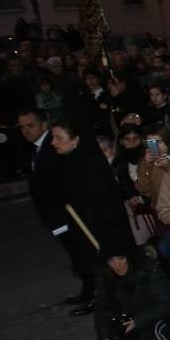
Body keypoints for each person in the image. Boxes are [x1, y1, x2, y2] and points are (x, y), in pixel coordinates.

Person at [52, 119, 133, 316]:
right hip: (86, 223)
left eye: (58, 138)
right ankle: (105, 303)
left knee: (110, 266)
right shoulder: (71, 160)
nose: (54, 142)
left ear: (75, 139)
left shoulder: (89, 163)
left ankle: (120, 305)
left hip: (102, 226)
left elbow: (103, 200)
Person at [20, 108, 93, 304]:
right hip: (54, 215)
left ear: (44, 124)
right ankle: (89, 289)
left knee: (81, 251)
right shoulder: (36, 148)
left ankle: (92, 291)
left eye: (30, 125)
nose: (26, 130)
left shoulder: (52, 147)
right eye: (22, 127)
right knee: (75, 252)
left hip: (64, 213)